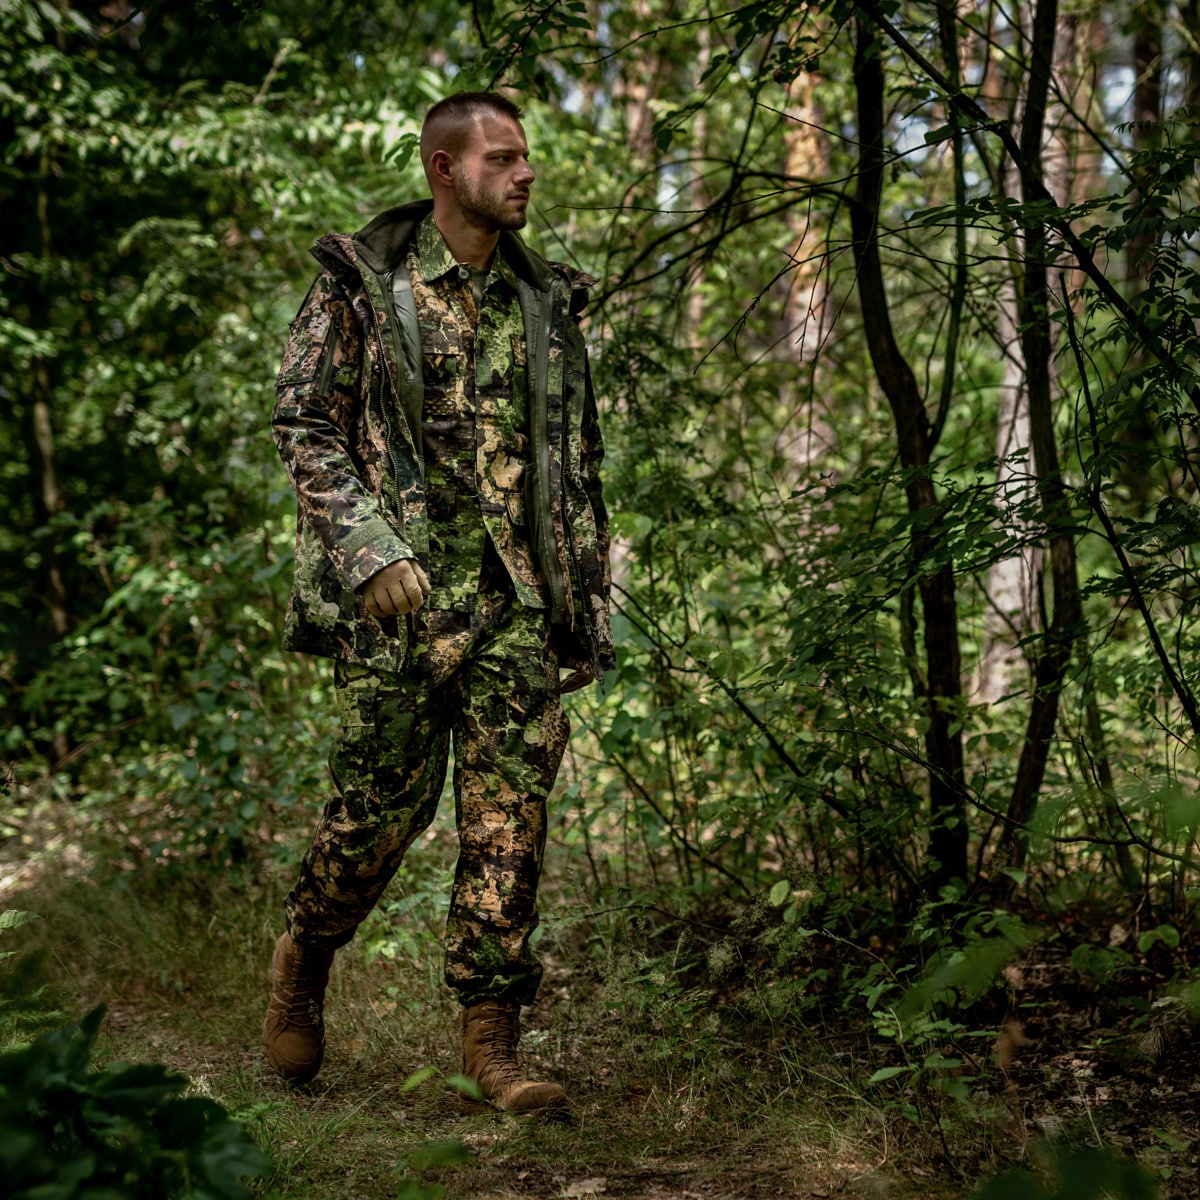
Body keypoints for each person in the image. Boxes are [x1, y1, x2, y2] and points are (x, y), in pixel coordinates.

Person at [262, 91, 613, 1112]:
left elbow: (575, 461)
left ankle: (493, 1043)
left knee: (511, 826)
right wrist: (366, 550)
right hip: (401, 610)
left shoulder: (545, 300)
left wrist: (583, 609)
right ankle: (307, 950)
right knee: (375, 818)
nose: (526, 173)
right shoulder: (363, 287)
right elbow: (304, 424)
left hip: (518, 608)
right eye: (503, 158)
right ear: (443, 169)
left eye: (526, 157)